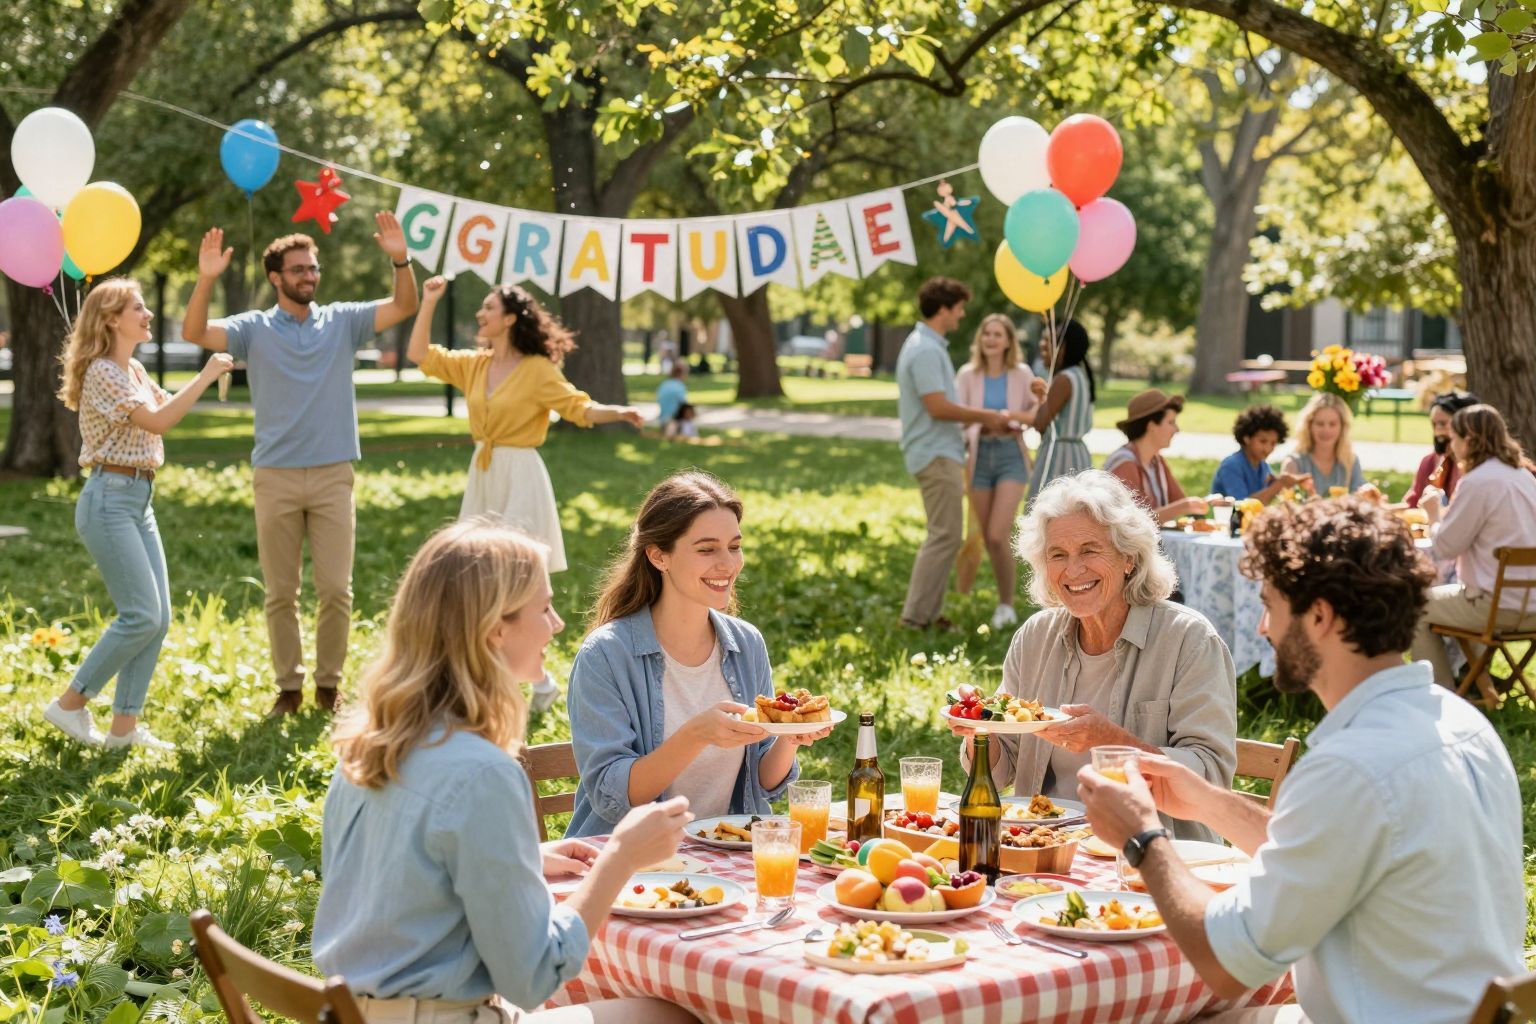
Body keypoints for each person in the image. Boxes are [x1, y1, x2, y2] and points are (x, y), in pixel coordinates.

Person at [1076, 496, 1524, 1024]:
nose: (1264, 627)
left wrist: (1142, 837)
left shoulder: (1350, 767)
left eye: (1270, 605)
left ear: (1319, 617)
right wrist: (1206, 801)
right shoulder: (1459, 722)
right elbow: (1331, 849)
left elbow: (1224, 963)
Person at [313, 520, 698, 1024]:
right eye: (543, 607)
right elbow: (533, 977)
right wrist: (620, 858)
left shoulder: (372, 740)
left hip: (353, 1013)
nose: (557, 623)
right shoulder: (484, 774)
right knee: (676, 1016)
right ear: (496, 629)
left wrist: (524, 858)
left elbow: (397, 872)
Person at [182, 216, 420, 717]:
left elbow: (404, 306)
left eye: (313, 268)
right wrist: (206, 277)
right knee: (281, 593)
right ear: (276, 277)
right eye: (299, 269)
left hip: (334, 474)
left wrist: (400, 258)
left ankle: (328, 687)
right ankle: (288, 689)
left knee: (336, 590)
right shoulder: (253, 328)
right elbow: (195, 331)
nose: (309, 275)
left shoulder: (342, 321)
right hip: (276, 477)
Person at [949, 471, 1237, 841]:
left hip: (1151, 857)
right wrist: (981, 730)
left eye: (1089, 550)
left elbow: (1210, 775)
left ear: (1129, 557)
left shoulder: (1189, 640)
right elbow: (1002, 770)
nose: (1073, 570)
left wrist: (1111, 743)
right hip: (1045, 846)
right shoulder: (1035, 637)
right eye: (1058, 555)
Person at [564, 472, 832, 838]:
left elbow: (763, 782)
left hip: (725, 854)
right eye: (707, 549)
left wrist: (790, 736)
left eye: (734, 546)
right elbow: (613, 796)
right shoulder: (607, 655)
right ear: (659, 556)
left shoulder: (745, 643)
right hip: (630, 864)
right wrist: (696, 735)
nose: (728, 564)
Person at [42, 279, 234, 750]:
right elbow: (159, 422)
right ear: (111, 319)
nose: (148, 314)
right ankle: (70, 703)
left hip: (137, 499)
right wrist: (207, 373)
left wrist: (213, 371)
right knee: (140, 614)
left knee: (158, 616)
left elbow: (166, 406)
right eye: (139, 308)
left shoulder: (134, 371)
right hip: (109, 498)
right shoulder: (104, 372)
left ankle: (122, 730)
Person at [895, 278, 1017, 631]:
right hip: (935, 454)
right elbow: (937, 406)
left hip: (940, 451)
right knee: (944, 535)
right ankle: (915, 618)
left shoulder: (928, 346)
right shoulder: (926, 350)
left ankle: (929, 616)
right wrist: (985, 416)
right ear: (944, 309)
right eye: (959, 308)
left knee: (945, 535)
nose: (963, 315)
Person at [1410, 404, 1536, 686]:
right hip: (1533, 607)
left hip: (1497, 609)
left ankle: (1441, 693)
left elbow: (1444, 548)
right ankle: (1480, 685)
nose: (1451, 446)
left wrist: (1433, 512)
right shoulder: (1524, 477)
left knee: (1413, 605)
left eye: (1454, 438)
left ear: (1470, 440)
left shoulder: (1477, 482)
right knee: (1461, 593)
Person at [954, 314, 1042, 630]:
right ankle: (965, 595)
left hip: (1010, 455)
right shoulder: (967, 375)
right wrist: (983, 420)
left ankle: (1006, 605)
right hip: (978, 455)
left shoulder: (1020, 373)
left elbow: (1037, 411)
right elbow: (958, 416)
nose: (991, 339)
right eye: (986, 333)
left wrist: (1009, 416)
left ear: (1008, 341)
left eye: (997, 334)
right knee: (983, 536)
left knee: (997, 534)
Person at [1103, 389, 1210, 522]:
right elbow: (1134, 523)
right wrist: (1186, 506)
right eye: (1171, 422)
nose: (1177, 430)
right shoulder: (1125, 464)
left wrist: (1205, 503)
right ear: (1151, 426)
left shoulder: (1156, 461)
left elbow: (1178, 501)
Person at [1025, 319, 1096, 497]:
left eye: (1049, 341)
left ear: (1065, 347)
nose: (1043, 345)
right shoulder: (1079, 375)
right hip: (1078, 453)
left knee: (1052, 508)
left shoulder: (1063, 379)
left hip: (1059, 458)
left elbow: (1040, 423)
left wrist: (1042, 398)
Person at [1209, 404, 1308, 503]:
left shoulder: (1263, 466)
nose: (1268, 448)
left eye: (1273, 443)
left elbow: (1271, 492)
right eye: (1263, 441)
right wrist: (1279, 484)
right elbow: (1242, 506)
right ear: (1246, 438)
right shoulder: (1231, 466)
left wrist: (1289, 482)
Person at [1403, 390, 1479, 508]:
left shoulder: (1477, 467)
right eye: (1434, 424)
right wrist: (1380, 507)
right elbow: (1411, 505)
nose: (1438, 430)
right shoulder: (1429, 462)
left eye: (1443, 424)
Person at [1281, 392, 1366, 496]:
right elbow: (1287, 506)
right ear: (1309, 426)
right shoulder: (1293, 464)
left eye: (1332, 424)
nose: (1326, 430)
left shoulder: (1350, 461)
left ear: (1342, 427)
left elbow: (1360, 502)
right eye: (1320, 424)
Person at [655, 360, 689, 427]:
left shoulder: (664, 384)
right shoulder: (680, 386)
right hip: (674, 419)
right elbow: (683, 404)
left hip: (662, 418)